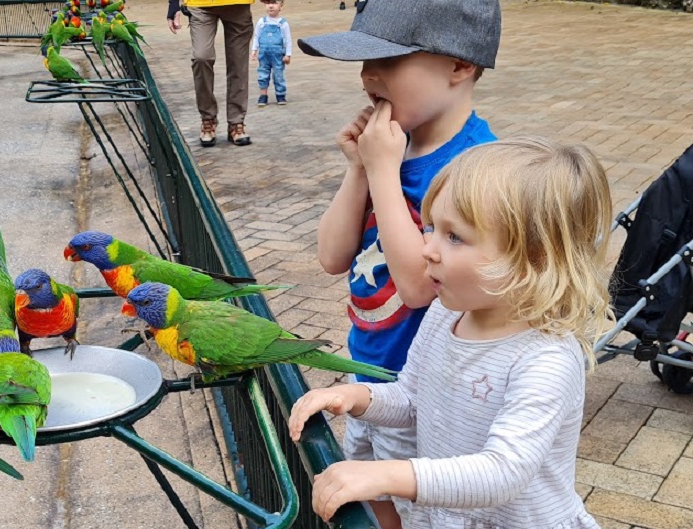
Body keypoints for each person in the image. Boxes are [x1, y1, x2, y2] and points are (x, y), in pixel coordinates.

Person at [289, 137, 613, 529]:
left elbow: (502, 472)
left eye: (454, 236)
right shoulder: (446, 312)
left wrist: (385, 474)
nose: (428, 249)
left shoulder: (546, 358)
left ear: (534, 259)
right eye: (431, 228)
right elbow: (412, 397)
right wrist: (356, 396)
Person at [297, 0, 501, 526]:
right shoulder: (389, 147)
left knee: (419, 511)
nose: (368, 75)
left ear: (460, 66)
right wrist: (360, 170)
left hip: (422, 394)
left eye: (389, 60)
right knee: (373, 501)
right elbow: (331, 255)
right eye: (364, 62)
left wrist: (383, 168)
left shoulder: (478, 169)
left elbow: (418, 286)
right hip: (368, 378)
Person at [167, 0, 254, 146]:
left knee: (239, 64)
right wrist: (174, 5)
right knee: (201, 57)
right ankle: (208, 118)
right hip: (200, 5)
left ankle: (236, 122)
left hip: (238, 4)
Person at [250, 0, 292, 107]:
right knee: (263, 74)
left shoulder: (283, 24)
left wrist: (288, 54)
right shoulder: (262, 22)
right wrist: (254, 50)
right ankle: (263, 95)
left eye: (274, 3)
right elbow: (256, 36)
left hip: (278, 54)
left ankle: (280, 94)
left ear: (281, 6)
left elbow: (288, 40)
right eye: (268, 3)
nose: (271, 6)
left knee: (278, 75)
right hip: (264, 54)